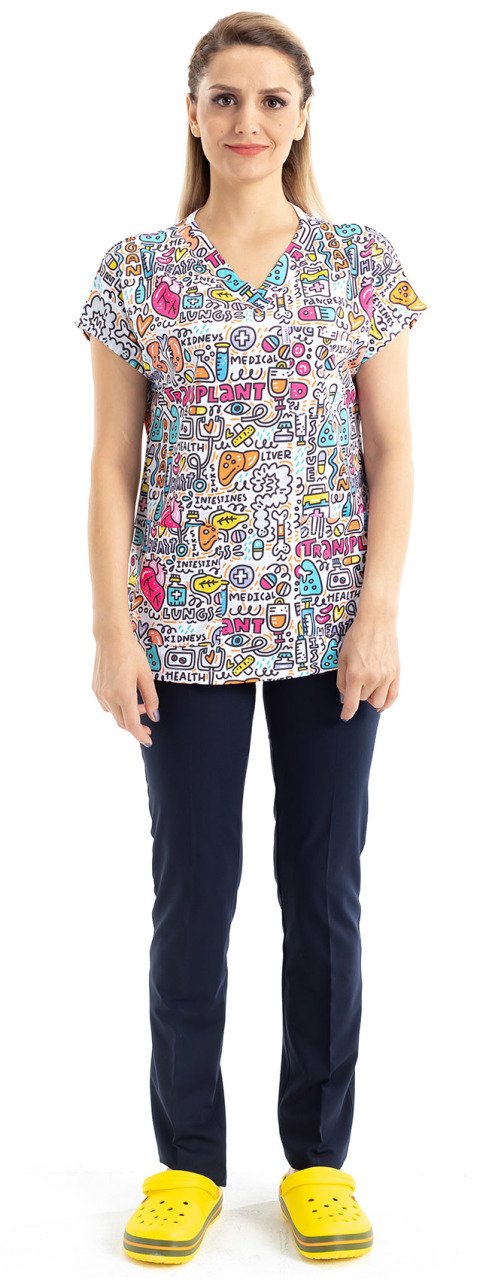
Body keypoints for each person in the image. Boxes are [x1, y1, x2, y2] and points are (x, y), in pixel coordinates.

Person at [74, 10, 428, 1266]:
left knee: (323, 890)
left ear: (303, 116)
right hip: (183, 628)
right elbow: (112, 460)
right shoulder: (138, 272)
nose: (247, 121)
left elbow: (392, 448)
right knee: (194, 891)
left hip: (330, 629)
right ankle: (187, 1162)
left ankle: (318, 1160)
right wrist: (112, 630)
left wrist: (378, 610)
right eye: (224, 98)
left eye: (272, 99)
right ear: (191, 112)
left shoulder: (358, 263)